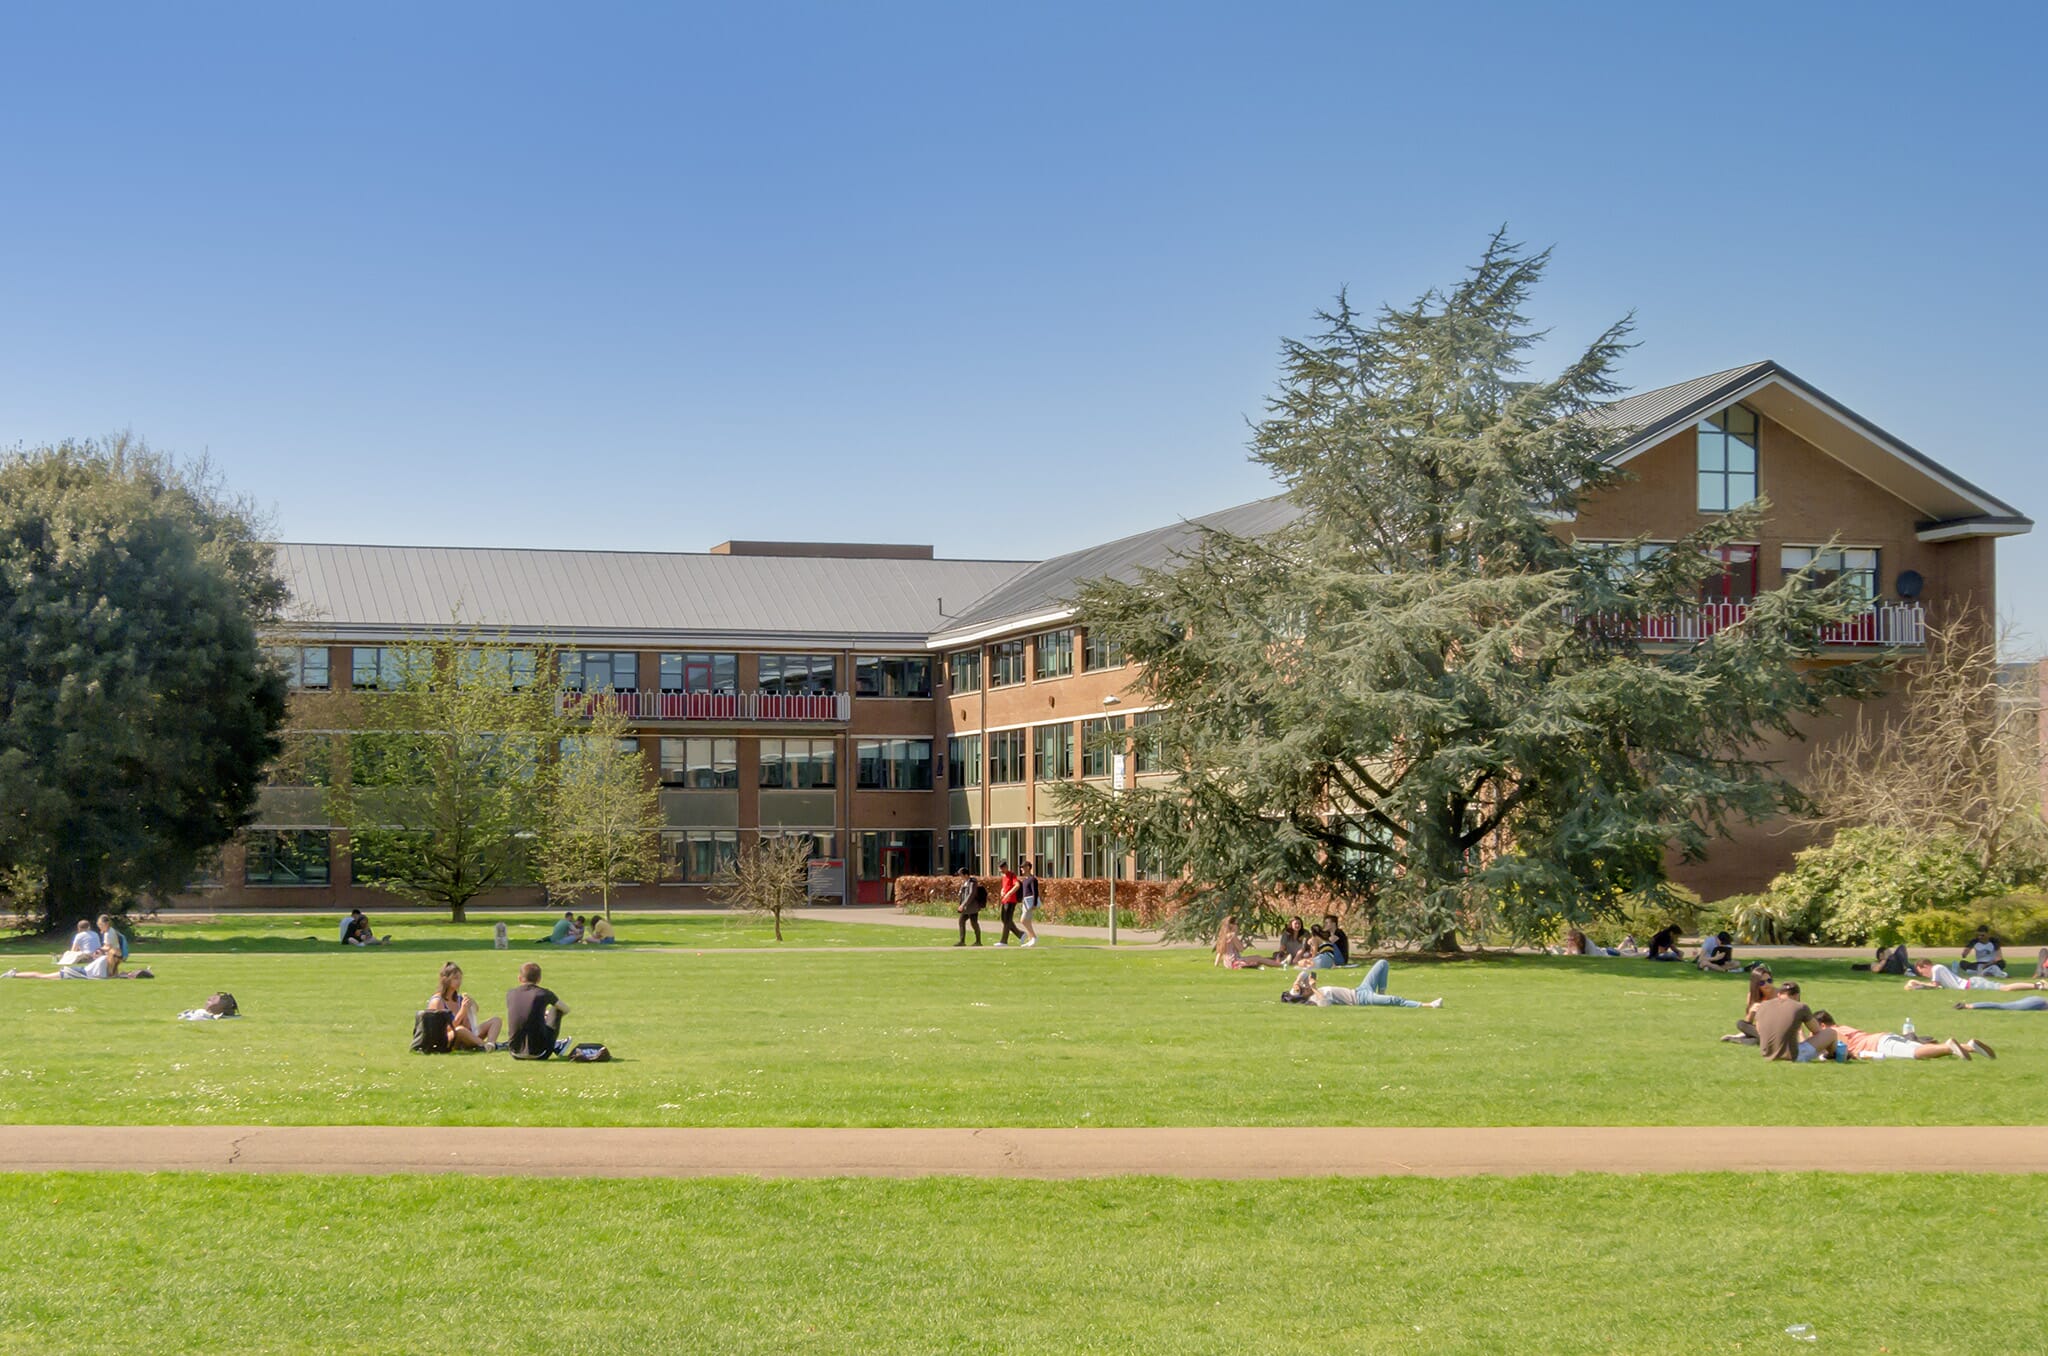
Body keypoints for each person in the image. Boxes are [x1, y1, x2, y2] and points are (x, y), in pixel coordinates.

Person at [1283, 961, 1442, 1008]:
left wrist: (1297, 982)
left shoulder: (1304, 990)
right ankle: (1429, 1005)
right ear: (1302, 996)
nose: (1304, 988)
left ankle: (1382, 993)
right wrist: (1313, 988)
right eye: (1302, 990)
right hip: (1361, 999)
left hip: (1360, 989)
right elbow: (1326, 1004)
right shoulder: (1314, 999)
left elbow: (1303, 973)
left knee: (1382, 964)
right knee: (1395, 1000)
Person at [1829, 1017, 1989, 1062]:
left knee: (1917, 1053)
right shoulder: (1843, 1026)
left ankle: (1949, 1047)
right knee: (1919, 1048)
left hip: (1878, 1045)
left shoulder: (1832, 1031)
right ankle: (1970, 1046)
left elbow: (1844, 1045)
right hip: (1884, 1037)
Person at [1752, 981, 1838, 1061]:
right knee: (1831, 1033)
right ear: (1797, 995)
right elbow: (1816, 1030)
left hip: (1766, 1053)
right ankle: (1832, 1056)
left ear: (1779, 994)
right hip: (1792, 1056)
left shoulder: (1763, 1005)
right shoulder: (1800, 1007)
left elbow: (1759, 1031)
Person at [427, 961, 504, 1051]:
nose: (459, 981)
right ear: (446, 980)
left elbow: (468, 1025)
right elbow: (445, 1029)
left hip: (464, 1036)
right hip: (445, 1039)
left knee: (496, 1020)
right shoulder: (438, 1001)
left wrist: (470, 1006)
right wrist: (462, 1011)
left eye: (460, 978)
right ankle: (486, 1046)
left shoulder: (459, 999)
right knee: (460, 1030)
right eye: (455, 978)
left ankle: (490, 1044)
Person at [504, 961, 569, 1060]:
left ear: (520, 978)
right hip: (540, 1053)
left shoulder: (510, 994)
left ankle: (555, 1044)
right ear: (539, 979)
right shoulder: (543, 993)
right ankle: (556, 1045)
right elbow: (566, 1009)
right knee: (556, 1009)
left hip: (515, 1052)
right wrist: (549, 1017)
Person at [1720, 966, 1776, 1044]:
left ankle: (1738, 1039)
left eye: (1769, 980)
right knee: (1741, 1023)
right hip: (1760, 1029)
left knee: (1764, 1039)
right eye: (1762, 982)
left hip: (1776, 1030)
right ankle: (1748, 1037)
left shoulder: (1779, 995)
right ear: (1756, 984)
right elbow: (1748, 1022)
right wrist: (1751, 1012)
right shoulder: (1752, 996)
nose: (1766, 984)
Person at [1904, 960, 2037, 992]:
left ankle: (2038, 985)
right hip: (1971, 983)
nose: (1923, 975)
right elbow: (1937, 987)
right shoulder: (1938, 970)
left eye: (1922, 972)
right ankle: (2038, 985)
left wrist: (1916, 983)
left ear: (1926, 965)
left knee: (2005, 988)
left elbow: (1934, 985)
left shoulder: (1937, 968)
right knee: (2004, 988)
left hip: (1972, 984)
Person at [1213, 915, 1285, 969]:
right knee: (1258, 957)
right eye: (1236, 924)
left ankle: (1250, 965)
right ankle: (1280, 965)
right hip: (1235, 961)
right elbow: (1241, 949)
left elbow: (1220, 952)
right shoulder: (1232, 936)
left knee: (1256, 961)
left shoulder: (1223, 937)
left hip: (1227, 964)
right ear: (1231, 925)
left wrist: (1216, 964)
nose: (1238, 926)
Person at [953, 866, 985, 947]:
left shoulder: (972, 882)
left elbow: (971, 894)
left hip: (972, 907)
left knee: (974, 923)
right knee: (961, 921)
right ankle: (962, 941)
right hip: (966, 908)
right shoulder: (965, 882)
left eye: (961, 875)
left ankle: (978, 941)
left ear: (966, 875)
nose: (960, 877)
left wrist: (963, 905)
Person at [994, 861, 1024, 947]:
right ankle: (1020, 934)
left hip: (1011, 900)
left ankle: (1004, 941)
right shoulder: (1004, 876)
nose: (1001, 871)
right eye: (1000, 870)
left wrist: (1009, 893)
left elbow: (1017, 885)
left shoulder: (1012, 875)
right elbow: (1005, 886)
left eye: (1002, 869)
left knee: (1007, 920)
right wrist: (1002, 891)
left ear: (1006, 867)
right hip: (1005, 900)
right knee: (1004, 919)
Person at [1017, 859, 1041, 948]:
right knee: (1027, 921)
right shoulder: (1025, 880)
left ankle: (1034, 937)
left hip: (1030, 902)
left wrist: (1034, 904)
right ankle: (1031, 939)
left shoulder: (1032, 879)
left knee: (1023, 920)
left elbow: (1035, 892)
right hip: (1026, 902)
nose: (1021, 869)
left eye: (1023, 867)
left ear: (1028, 868)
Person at [1955, 995, 2048, 1012]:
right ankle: (1967, 1006)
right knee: (2003, 1006)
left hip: (2037, 1001)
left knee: (2003, 1005)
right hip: (2038, 1003)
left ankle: (1968, 1005)